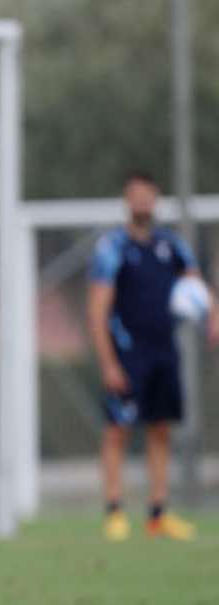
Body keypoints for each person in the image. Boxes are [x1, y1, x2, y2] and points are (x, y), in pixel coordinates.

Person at [88, 171, 214, 542]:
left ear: (156, 198)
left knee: (160, 428)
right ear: (127, 201)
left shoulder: (171, 244)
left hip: (164, 350)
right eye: (135, 195)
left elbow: (195, 283)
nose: (142, 202)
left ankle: (158, 513)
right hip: (127, 352)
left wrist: (213, 315)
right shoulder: (112, 248)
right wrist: (109, 362)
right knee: (118, 431)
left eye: (148, 195)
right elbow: (97, 310)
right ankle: (114, 511)